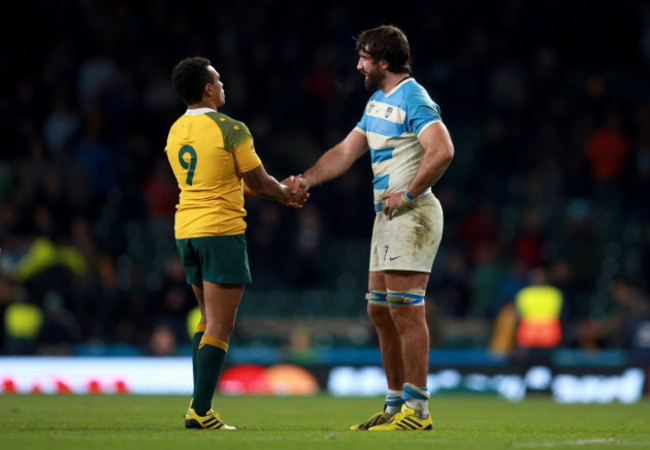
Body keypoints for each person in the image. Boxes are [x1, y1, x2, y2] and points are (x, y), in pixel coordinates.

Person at [291, 25, 454, 431]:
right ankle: (395, 402)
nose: (358, 64)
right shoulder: (377, 102)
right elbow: (347, 151)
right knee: (379, 310)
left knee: (405, 310)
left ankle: (417, 411)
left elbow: (443, 149)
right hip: (387, 216)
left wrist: (410, 194)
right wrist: (306, 180)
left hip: (411, 214)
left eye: (364, 57)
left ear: (384, 62)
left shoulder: (413, 97)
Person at [165, 56, 307, 430]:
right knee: (221, 325)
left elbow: (229, 181)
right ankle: (200, 410)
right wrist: (286, 194)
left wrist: (275, 192)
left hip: (186, 230)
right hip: (221, 231)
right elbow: (257, 183)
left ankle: (198, 406)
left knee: (207, 319)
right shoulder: (231, 129)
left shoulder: (176, 131)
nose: (224, 84)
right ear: (208, 88)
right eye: (219, 79)